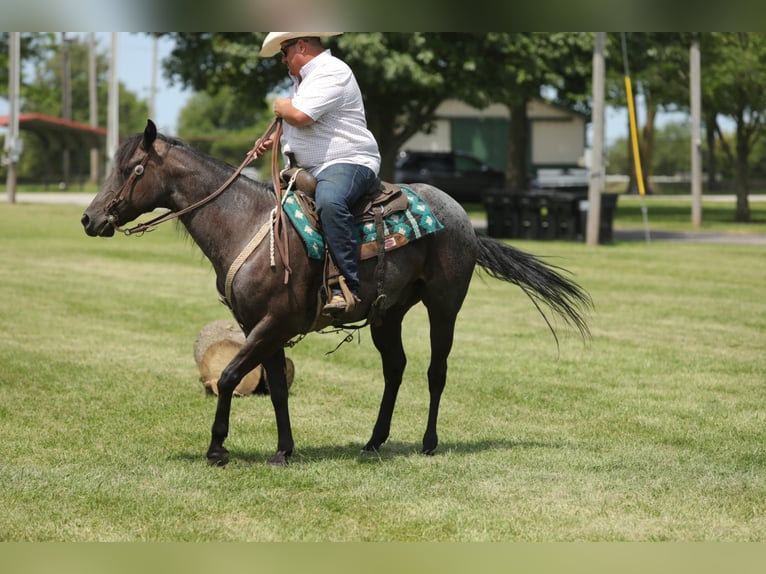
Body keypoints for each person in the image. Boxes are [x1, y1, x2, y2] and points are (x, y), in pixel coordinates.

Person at [258, 32, 381, 316]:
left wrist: (281, 106)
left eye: (284, 51)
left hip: (349, 161)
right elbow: (298, 123)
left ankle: (347, 287)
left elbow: (301, 116)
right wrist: (272, 138)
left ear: (301, 45)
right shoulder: (303, 81)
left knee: (329, 200)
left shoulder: (332, 71)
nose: (283, 59)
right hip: (309, 167)